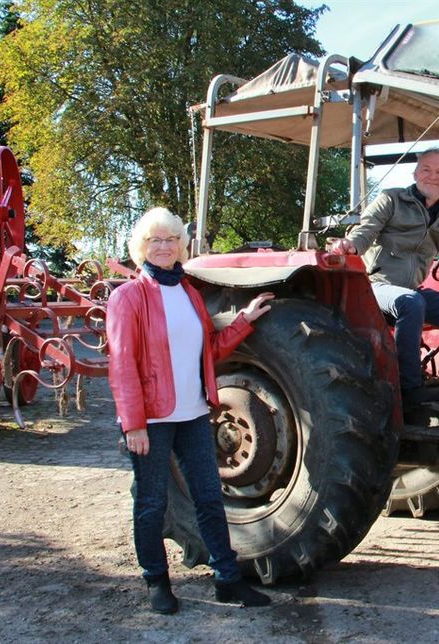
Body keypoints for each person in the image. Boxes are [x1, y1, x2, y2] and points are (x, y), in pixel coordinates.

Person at [107, 207, 275, 614]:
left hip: (194, 414)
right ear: (141, 248)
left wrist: (243, 321)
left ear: (181, 246)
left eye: (171, 240)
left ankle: (227, 580)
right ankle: (157, 582)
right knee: (151, 503)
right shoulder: (128, 297)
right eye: (155, 241)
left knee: (209, 499)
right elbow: (122, 365)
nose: (164, 247)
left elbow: (207, 354)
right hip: (152, 420)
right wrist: (134, 424)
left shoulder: (189, 293)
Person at [329, 148, 439, 406]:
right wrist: (350, 245)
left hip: (414, 291)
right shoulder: (391, 200)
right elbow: (366, 230)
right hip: (378, 287)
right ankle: (409, 389)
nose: (432, 176)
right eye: (426, 169)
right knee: (411, 302)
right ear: (415, 173)